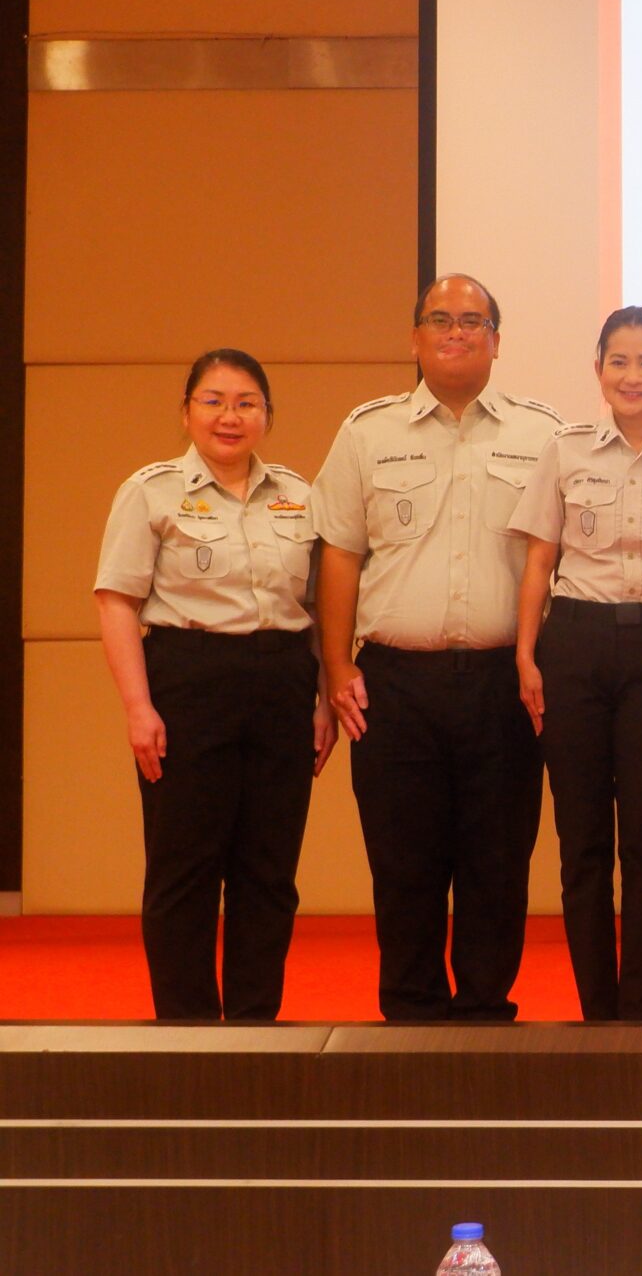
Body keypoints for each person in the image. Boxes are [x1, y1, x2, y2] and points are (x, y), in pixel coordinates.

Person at [312, 275, 561, 1020]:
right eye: (441, 319)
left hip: (502, 682)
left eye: (473, 321)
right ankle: (410, 1011)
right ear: (415, 336)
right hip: (395, 684)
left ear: (496, 340)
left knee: (497, 860)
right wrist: (336, 667)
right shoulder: (368, 431)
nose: (457, 332)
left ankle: (485, 1009)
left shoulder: (543, 434)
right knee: (403, 863)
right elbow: (339, 555)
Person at [93, 350, 335, 1020]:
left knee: (269, 871)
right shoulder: (151, 490)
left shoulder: (300, 496)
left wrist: (322, 699)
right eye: (214, 401)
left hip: (282, 683)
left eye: (246, 403)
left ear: (267, 415)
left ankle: (255, 1029)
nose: (230, 416)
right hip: (189, 681)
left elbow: (320, 609)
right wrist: (138, 707)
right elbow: (116, 601)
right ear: (186, 411)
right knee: (185, 869)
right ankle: (187, 1032)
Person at [508, 307, 642, 1021]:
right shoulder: (564, 450)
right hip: (573, 645)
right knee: (583, 841)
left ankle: (640, 1013)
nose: (633, 376)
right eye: (619, 361)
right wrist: (526, 654)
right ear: (598, 369)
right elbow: (539, 560)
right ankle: (597, 1012)